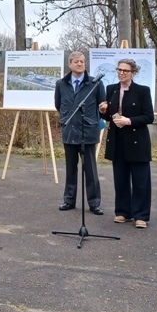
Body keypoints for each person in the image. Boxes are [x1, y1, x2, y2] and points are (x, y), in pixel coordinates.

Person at [100, 58, 154, 229]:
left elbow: (148, 117)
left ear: (133, 73)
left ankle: (141, 215)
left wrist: (128, 121)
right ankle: (123, 212)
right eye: (119, 70)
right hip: (118, 140)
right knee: (120, 178)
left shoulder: (142, 91)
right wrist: (104, 111)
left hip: (137, 141)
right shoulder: (111, 89)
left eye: (125, 71)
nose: (121, 73)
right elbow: (109, 116)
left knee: (140, 180)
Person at [54, 51, 105, 215]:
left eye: (82, 61)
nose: (80, 64)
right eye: (76, 62)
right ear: (70, 64)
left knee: (90, 169)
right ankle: (69, 200)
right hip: (69, 130)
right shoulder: (61, 84)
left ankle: (94, 203)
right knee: (70, 168)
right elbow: (58, 105)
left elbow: (102, 105)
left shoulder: (95, 83)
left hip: (88, 131)